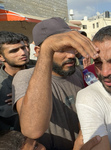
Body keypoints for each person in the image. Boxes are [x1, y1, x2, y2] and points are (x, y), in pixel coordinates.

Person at [12, 17, 99, 150]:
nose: (71, 55)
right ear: (38, 51)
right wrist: (48, 48)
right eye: (61, 49)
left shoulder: (79, 73)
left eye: (72, 48)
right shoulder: (25, 77)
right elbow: (32, 129)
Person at [0, 31, 29, 131]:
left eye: (23, 48)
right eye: (14, 51)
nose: (23, 53)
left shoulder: (41, 72)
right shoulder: (1, 85)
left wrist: (29, 96)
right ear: (1, 57)